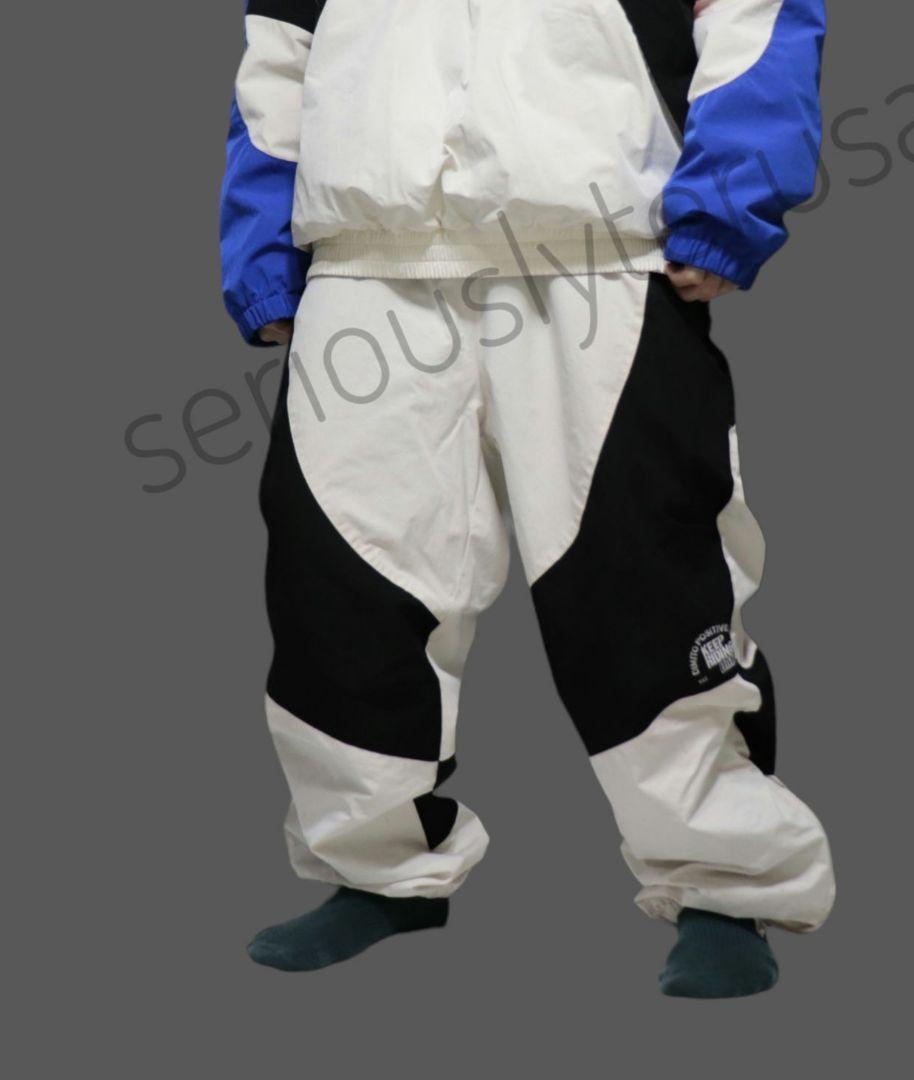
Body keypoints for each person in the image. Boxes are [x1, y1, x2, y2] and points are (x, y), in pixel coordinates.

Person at [220, 0, 834, 998]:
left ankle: (728, 885)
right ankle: (377, 871)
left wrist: (732, 196)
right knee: (337, 585)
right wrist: (261, 251)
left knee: (645, 580)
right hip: (367, 265)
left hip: (597, 249)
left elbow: (753, 12)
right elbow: (279, 52)